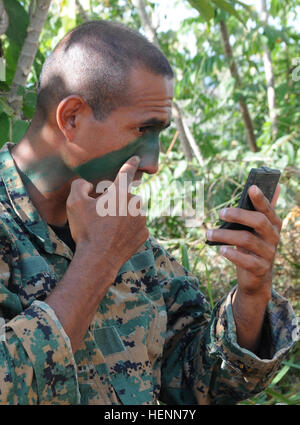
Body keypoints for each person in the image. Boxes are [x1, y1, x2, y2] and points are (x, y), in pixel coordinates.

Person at [0, 20, 298, 405]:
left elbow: (197, 382)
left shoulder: (123, 229)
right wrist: (99, 260)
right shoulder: (109, 236)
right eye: (143, 130)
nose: (154, 163)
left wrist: (253, 292)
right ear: (71, 117)